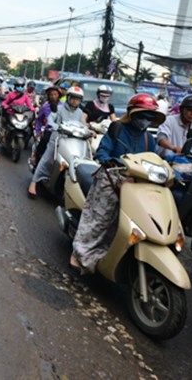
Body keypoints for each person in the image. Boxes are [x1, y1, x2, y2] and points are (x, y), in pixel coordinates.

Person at [70, 93, 165, 272]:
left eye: (149, 117)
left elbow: (154, 159)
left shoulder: (148, 139)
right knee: (100, 220)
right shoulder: (117, 128)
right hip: (110, 177)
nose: (145, 120)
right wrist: (108, 160)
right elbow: (103, 150)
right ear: (133, 114)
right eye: (142, 116)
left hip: (136, 185)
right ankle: (78, 252)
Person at [28, 86, 86, 198]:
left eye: (77, 99)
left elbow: (82, 125)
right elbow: (50, 119)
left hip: (71, 141)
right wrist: (56, 126)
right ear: (68, 98)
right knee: (47, 158)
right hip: (57, 138)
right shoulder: (59, 108)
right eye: (73, 98)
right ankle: (33, 182)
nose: (75, 101)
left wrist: (89, 132)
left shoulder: (79, 112)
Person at [29, 85, 62, 168]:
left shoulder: (63, 106)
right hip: (48, 132)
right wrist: (38, 132)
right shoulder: (45, 106)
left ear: (59, 95)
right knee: (41, 149)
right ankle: (36, 164)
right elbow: (39, 120)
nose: (53, 96)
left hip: (60, 134)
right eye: (51, 95)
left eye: (55, 94)